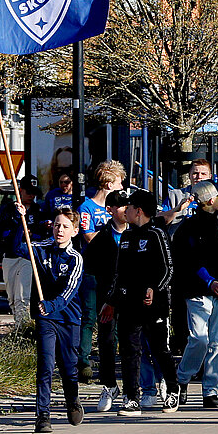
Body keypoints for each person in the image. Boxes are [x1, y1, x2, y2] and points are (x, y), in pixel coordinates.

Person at [106, 191, 175, 414]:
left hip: (154, 305)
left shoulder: (157, 233)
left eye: (130, 206)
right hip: (129, 304)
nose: (126, 210)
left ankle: (172, 389)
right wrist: (111, 300)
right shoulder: (126, 237)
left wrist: (154, 288)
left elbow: (168, 269)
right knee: (129, 350)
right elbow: (118, 273)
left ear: (140, 210)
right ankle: (131, 398)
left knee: (158, 349)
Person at [171, 181, 218, 409]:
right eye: (217, 197)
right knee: (199, 339)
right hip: (197, 291)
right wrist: (210, 281)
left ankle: (210, 390)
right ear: (209, 200)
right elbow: (191, 260)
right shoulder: (189, 227)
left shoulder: (215, 224)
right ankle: (182, 379)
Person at [30, 209, 85, 433]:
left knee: (69, 367)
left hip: (68, 317)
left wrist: (52, 304)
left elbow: (69, 291)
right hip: (46, 318)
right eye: (56, 225)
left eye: (64, 226)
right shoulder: (42, 248)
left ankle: (72, 400)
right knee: (45, 365)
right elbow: (18, 245)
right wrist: (21, 218)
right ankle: (43, 415)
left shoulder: (76, 258)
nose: (59, 230)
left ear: (74, 230)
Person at [77, 159, 128, 381]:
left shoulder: (122, 209)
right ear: (108, 183)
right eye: (118, 183)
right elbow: (88, 236)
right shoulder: (87, 207)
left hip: (115, 271)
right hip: (93, 270)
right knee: (89, 315)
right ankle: (83, 361)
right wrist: (110, 231)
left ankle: (110, 360)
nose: (121, 188)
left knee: (113, 318)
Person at [84, 190, 132, 411]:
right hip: (107, 299)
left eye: (127, 206)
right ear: (110, 210)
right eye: (120, 206)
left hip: (133, 296)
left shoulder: (139, 233)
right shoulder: (101, 238)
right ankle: (109, 385)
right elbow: (90, 268)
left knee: (133, 342)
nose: (125, 210)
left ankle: (136, 388)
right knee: (107, 341)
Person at [0, 177, 44, 335]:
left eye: (34, 193)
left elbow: (41, 235)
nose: (31, 196)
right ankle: (19, 326)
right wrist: (18, 223)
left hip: (27, 257)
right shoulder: (8, 209)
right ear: (20, 191)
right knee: (12, 298)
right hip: (10, 256)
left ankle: (23, 329)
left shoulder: (38, 210)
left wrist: (32, 232)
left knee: (23, 297)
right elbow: (3, 233)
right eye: (28, 192)